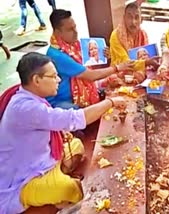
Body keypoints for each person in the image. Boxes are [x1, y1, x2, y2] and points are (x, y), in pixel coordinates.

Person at [0, 52, 126, 214]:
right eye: (53, 76)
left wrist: (59, 131)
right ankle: (57, 197)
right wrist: (111, 102)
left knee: (77, 146)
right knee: (71, 188)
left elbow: (45, 123)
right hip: (23, 178)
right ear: (36, 80)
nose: (58, 80)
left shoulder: (28, 96)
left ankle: (58, 178)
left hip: (41, 159)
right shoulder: (25, 108)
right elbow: (75, 118)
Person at [46, 9, 133, 109]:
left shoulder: (73, 46)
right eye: (70, 29)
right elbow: (90, 75)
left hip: (81, 90)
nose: (76, 32)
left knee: (114, 85)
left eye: (75, 27)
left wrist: (102, 58)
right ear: (58, 32)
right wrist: (117, 67)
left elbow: (87, 68)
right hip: (62, 102)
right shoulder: (57, 55)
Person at [108, 2, 159, 86]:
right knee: (114, 79)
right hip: (120, 72)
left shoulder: (143, 34)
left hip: (138, 73)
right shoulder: (116, 35)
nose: (133, 22)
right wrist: (146, 63)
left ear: (141, 20)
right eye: (129, 17)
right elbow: (125, 62)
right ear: (124, 18)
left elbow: (145, 57)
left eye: (136, 17)